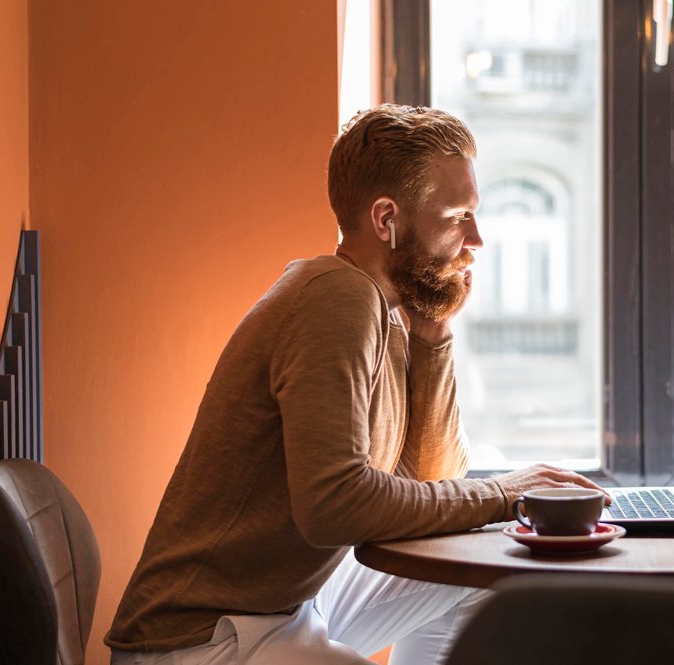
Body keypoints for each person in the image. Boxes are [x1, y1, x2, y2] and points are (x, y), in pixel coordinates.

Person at [105, 104, 606, 665]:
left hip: (291, 606)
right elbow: (335, 507)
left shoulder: (387, 313)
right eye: (458, 216)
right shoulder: (335, 296)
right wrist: (501, 493)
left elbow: (436, 480)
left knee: (482, 571)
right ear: (387, 219)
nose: (477, 240)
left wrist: (433, 336)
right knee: (488, 524)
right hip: (204, 640)